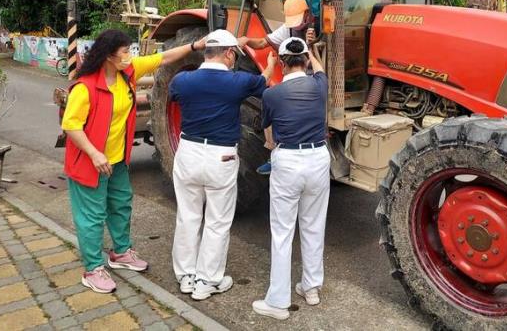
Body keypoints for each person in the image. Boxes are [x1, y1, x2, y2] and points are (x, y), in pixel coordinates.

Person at [62, 29, 207, 294]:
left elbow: (163, 58)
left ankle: (120, 253)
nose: (131, 56)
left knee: (121, 205)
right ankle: (93, 268)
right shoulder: (85, 87)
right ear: (108, 57)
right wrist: (94, 153)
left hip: (116, 161)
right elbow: (71, 125)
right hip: (89, 162)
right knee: (91, 216)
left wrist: (196, 45)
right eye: (125, 52)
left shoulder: (126, 72)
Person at [170, 29, 276, 300]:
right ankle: (207, 281)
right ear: (229, 53)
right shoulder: (238, 82)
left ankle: (186, 276)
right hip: (221, 158)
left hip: (188, 153)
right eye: (234, 56)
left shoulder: (182, 80)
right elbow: (262, 84)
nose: (234, 61)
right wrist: (272, 66)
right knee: (217, 221)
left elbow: (175, 96)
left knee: (188, 215)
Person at [252, 37, 330, 320]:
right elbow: (320, 70)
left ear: (282, 63)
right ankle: (310, 288)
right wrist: (312, 51)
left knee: (283, 232)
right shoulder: (320, 86)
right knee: (313, 226)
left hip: (288, 161)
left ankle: (278, 300)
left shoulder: (271, 94)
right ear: (307, 60)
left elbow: (268, 130)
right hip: (318, 158)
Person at [238, 0, 317, 175]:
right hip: (293, 77)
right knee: (272, 103)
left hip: (312, 76)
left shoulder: (318, 26)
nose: (295, 25)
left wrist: (314, 43)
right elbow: (262, 42)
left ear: (307, 14)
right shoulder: (287, 29)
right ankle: (273, 152)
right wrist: (246, 40)